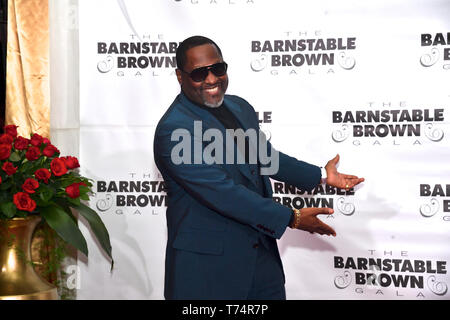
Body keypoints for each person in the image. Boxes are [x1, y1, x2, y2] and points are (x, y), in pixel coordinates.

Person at [153, 35, 364, 300]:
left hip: (261, 260)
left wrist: (321, 175)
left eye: (218, 69)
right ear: (180, 76)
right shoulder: (174, 130)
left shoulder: (239, 107)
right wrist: (291, 217)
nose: (211, 80)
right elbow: (222, 192)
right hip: (208, 270)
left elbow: (264, 157)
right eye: (198, 73)